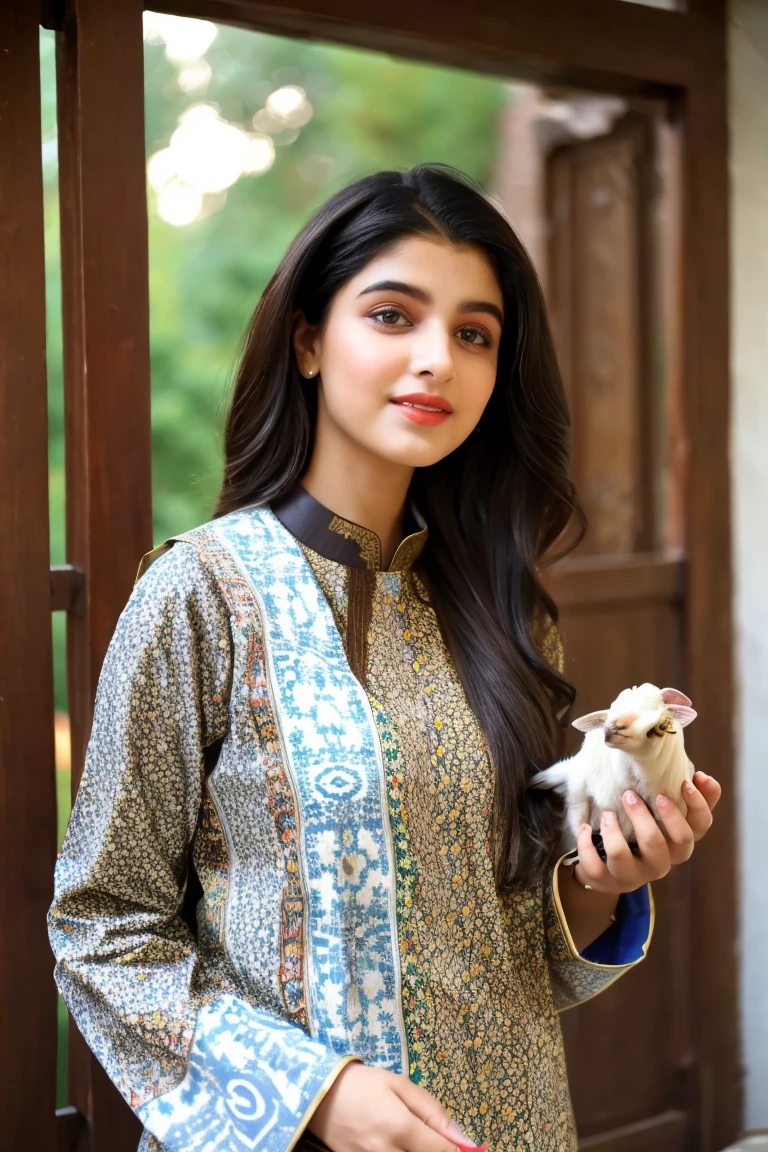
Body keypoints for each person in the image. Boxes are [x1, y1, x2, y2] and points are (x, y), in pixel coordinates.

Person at [49, 165, 720, 1152]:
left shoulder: (504, 614)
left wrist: (609, 873)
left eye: (474, 333)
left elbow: (516, 939)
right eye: (393, 315)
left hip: (514, 1127)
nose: (437, 359)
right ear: (311, 339)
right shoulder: (198, 595)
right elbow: (103, 925)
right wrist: (309, 1092)